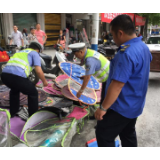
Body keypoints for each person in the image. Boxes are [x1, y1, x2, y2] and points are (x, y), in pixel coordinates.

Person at [94, 15, 152, 147]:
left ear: (120, 33)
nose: (113, 40)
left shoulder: (125, 53)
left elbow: (117, 86)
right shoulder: (143, 47)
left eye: (113, 35)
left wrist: (103, 108)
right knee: (128, 133)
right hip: (136, 104)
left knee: (103, 134)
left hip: (121, 106)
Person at [1, 41, 48, 118]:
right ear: (38, 50)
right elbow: (39, 71)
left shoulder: (19, 52)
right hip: (16, 77)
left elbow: (19, 69)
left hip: (4, 76)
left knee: (14, 90)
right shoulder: (34, 53)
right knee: (33, 93)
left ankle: (13, 112)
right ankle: (33, 117)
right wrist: (44, 81)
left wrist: (30, 83)